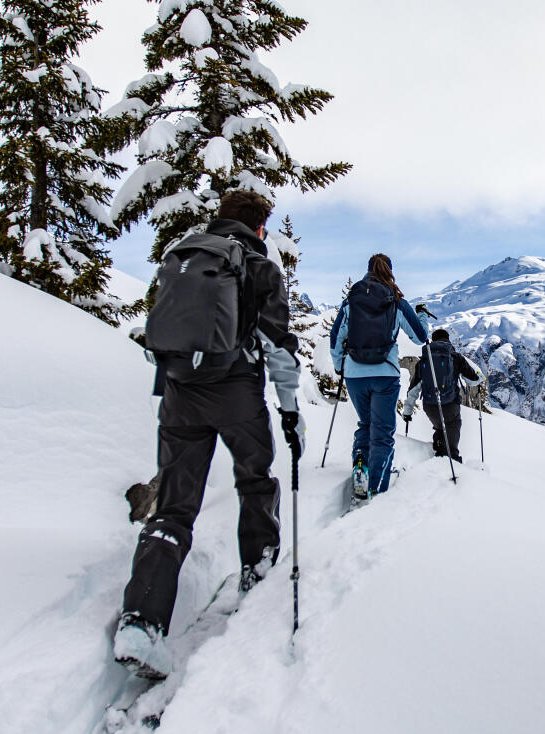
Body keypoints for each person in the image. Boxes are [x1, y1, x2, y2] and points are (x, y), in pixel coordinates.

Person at [115, 190, 305, 679]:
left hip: (180, 395)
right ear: (260, 228)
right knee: (255, 479)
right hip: (237, 393)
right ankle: (257, 570)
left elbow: (161, 331)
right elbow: (278, 346)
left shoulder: (184, 254)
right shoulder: (259, 267)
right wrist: (289, 411)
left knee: (175, 507)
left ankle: (140, 622)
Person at [330, 253, 428, 499]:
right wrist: (423, 315)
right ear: (390, 271)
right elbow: (420, 337)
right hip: (385, 374)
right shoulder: (396, 300)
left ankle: (360, 470)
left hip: (354, 374)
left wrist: (339, 367)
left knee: (366, 424)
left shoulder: (351, 299)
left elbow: (335, 339)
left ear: (368, 270)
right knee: (382, 432)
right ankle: (376, 487)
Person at [402, 328, 481, 461]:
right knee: (452, 426)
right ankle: (451, 460)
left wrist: (407, 412)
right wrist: (480, 377)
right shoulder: (456, 357)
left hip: (430, 406)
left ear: (433, 341)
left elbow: (414, 390)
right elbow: (472, 380)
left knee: (440, 426)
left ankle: (439, 451)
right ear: (448, 340)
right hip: (450, 404)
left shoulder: (425, 361)